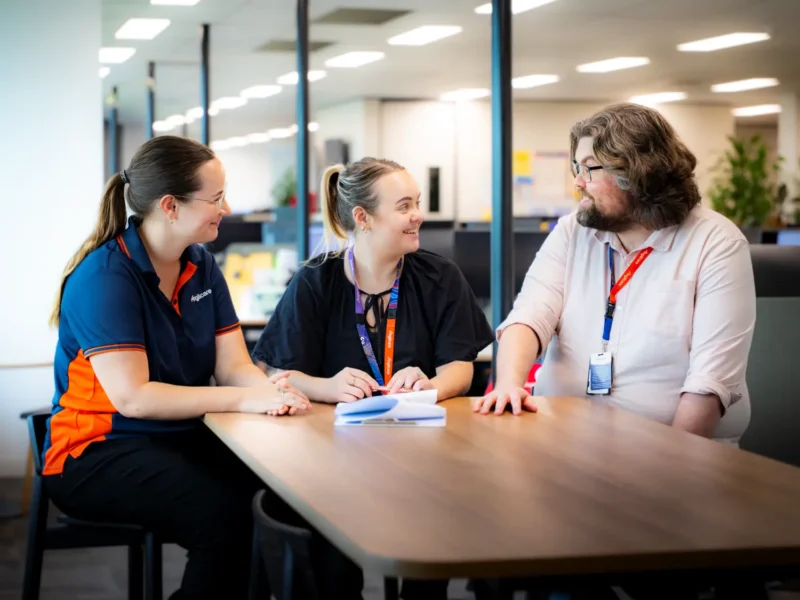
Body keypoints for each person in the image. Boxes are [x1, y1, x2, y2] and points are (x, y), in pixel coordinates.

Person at [474, 103, 760, 599]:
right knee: (496, 535)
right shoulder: (574, 231)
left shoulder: (715, 243)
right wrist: (507, 385)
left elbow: (708, 389)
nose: (578, 184)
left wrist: (648, 483)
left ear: (639, 171)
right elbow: (529, 317)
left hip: (673, 467)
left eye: (591, 170)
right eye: (576, 168)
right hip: (565, 457)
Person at [43, 135, 311, 600]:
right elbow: (135, 398)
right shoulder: (105, 277)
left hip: (177, 438)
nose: (226, 208)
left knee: (287, 496)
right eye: (216, 198)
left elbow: (234, 368)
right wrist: (247, 396)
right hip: (96, 451)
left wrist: (270, 393)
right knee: (226, 520)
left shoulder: (201, 265)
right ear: (170, 206)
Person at [253, 157, 495, 598]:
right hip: (332, 460)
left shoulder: (440, 276)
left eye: (417, 203)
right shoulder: (315, 280)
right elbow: (278, 372)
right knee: (332, 569)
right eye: (404, 206)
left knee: (430, 554)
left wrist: (431, 385)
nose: (417, 215)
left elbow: (461, 368)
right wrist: (326, 387)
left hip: (424, 456)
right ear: (363, 218)